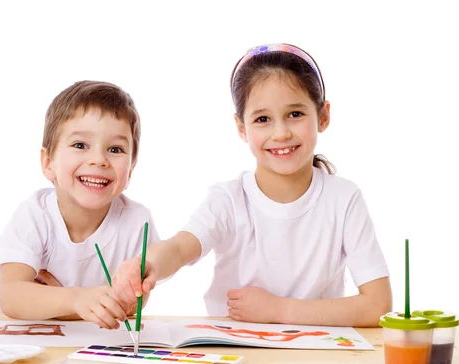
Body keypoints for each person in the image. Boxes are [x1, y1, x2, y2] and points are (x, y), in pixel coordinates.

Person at [113, 43, 392, 327]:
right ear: (241, 128)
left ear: (323, 116)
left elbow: (378, 305)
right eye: (262, 119)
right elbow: (180, 248)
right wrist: (146, 264)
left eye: (295, 114)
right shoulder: (228, 199)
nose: (281, 133)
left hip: (316, 358)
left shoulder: (344, 199)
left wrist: (279, 311)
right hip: (235, 354)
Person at [0, 80, 160, 329]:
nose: (98, 160)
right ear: (48, 162)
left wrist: (64, 307)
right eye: (80, 145)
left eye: (115, 149)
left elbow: (132, 302)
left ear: (130, 171)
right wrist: (75, 300)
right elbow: (11, 296)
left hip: (85, 338)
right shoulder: (35, 214)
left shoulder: (137, 221)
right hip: (11, 334)